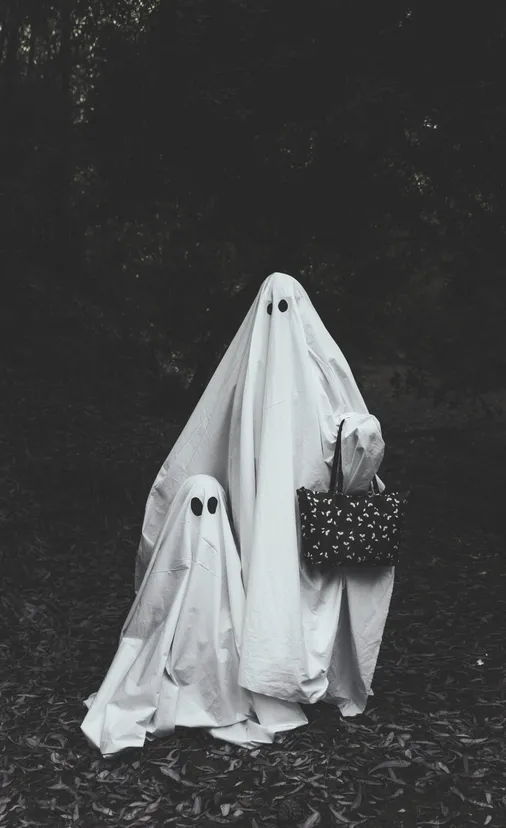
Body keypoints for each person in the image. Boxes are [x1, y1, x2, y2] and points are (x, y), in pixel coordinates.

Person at [136, 273, 394, 719]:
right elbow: (210, 439)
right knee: (267, 584)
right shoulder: (247, 377)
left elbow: (352, 438)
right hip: (257, 509)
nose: (279, 320)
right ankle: (266, 673)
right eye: (273, 309)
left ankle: (297, 675)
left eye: (286, 309)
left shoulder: (319, 372)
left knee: (304, 585)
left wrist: (358, 437)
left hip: (309, 510)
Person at [81, 475, 306, 754]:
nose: (205, 518)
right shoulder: (170, 558)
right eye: (197, 508)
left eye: (212, 507)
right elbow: (153, 613)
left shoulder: (227, 558)